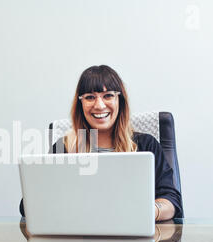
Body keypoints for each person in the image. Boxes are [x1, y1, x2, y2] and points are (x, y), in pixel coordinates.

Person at [20, 65, 183, 220]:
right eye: (90, 97)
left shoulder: (146, 145)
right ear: (80, 104)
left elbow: (171, 201)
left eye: (108, 96)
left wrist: (149, 211)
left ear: (120, 100)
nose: (99, 105)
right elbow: (27, 205)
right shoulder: (65, 147)